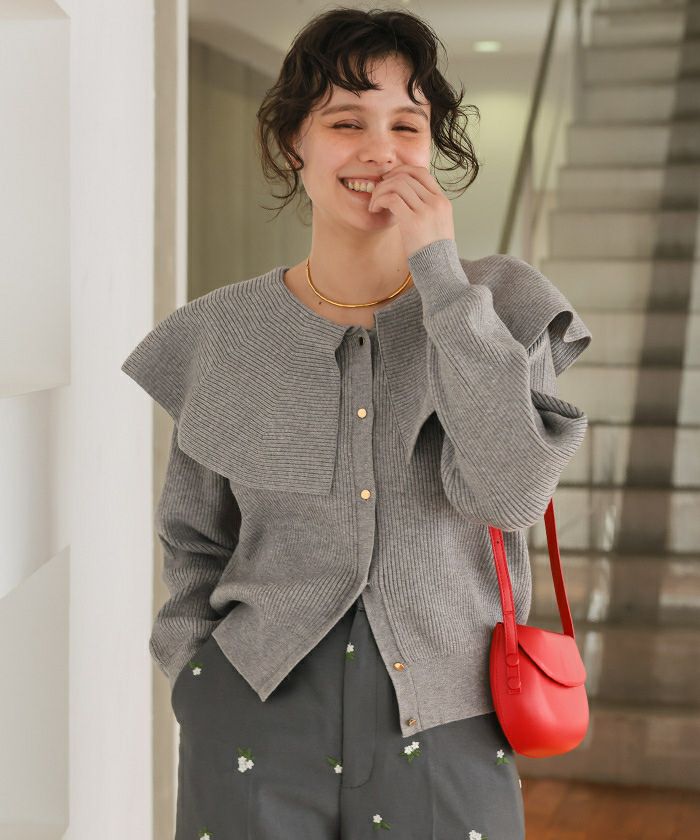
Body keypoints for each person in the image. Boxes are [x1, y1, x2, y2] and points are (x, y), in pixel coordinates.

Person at [121, 7, 592, 839]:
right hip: (251, 715)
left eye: (406, 126)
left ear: (434, 149)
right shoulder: (222, 334)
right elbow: (193, 537)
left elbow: (510, 492)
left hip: (450, 720)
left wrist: (441, 279)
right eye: (346, 122)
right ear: (293, 145)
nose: (380, 149)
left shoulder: (502, 307)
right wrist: (196, 675)